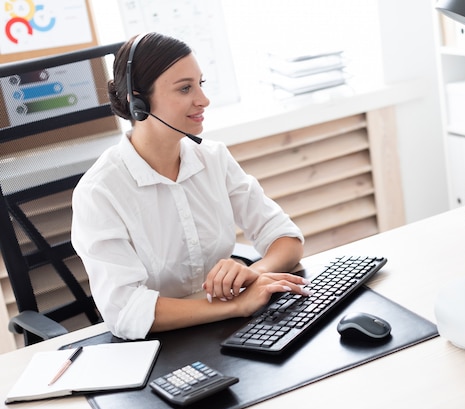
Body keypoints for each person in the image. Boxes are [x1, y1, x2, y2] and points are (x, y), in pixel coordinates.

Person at [71, 32, 308, 340]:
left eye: (200, 84)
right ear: (138, 101)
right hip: (163, 344)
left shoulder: (212, 158)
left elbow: (286, 238)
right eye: (185, 88)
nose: (204, 100)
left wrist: (256, 273)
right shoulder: (99, 193)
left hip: (229, 331)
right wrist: (234, 306)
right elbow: (124, 311)